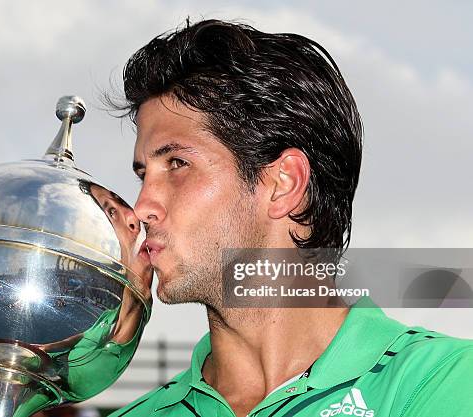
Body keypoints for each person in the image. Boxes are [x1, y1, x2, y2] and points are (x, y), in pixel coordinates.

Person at [106, 19, 473, 417]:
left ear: (283, 184)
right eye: (143, 174)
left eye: (177, 163)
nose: (142, 207)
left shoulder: (443, 382)